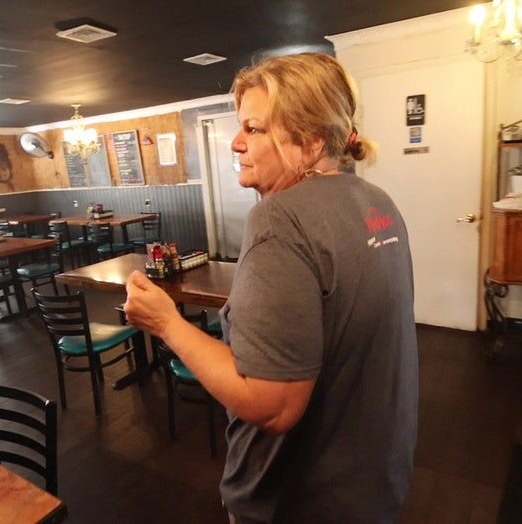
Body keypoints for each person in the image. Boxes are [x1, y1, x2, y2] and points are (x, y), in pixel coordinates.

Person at [124, 52, 418, 523]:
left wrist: (167, 324)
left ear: (311, 141)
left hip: (299, 500)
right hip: (375, 480)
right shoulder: (377, 202)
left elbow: (273, 405)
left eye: (254, 129)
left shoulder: (280, 219)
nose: (236, 143)